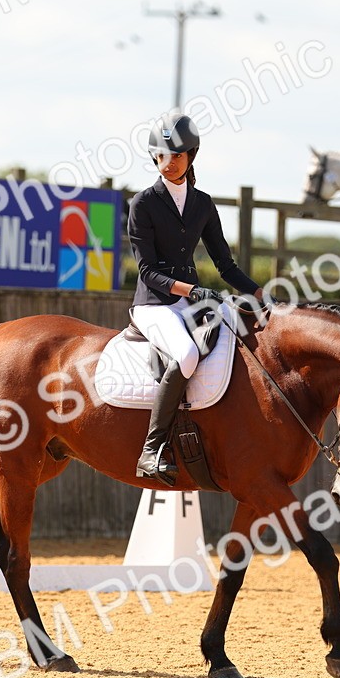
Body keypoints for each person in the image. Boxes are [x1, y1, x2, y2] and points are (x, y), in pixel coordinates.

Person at [127, 112, 265, 485]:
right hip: (154, 304)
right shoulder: (143, 204)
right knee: (187, 355)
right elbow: (147, 272)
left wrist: (258, 292)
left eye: (176, 155)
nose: (168, 163)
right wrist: (192, 291)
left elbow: (225, 264)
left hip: (190, 300)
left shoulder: (203, 204)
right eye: (161, 156)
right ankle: (151, 450)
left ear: (191, 156)